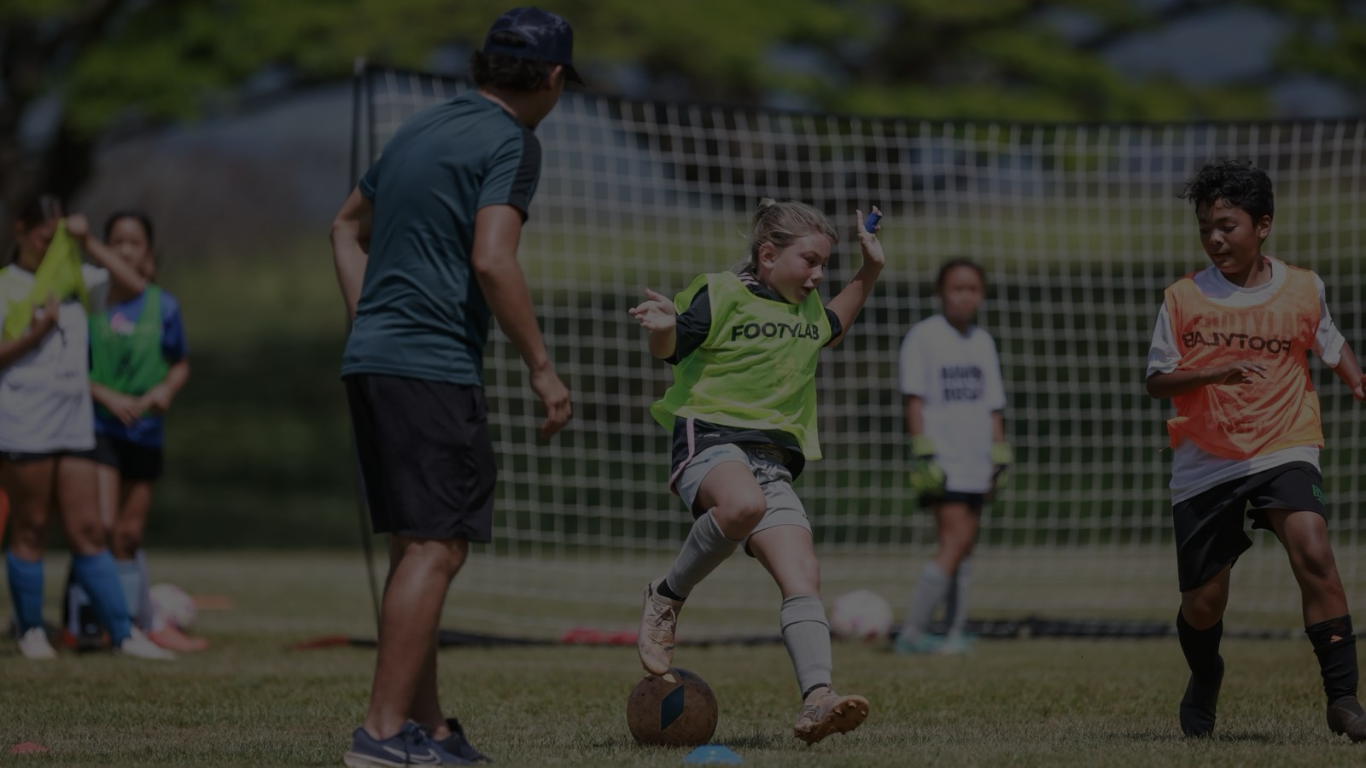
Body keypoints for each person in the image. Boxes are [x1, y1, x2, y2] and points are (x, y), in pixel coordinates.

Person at [330, 7, 578, 766]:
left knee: (418, 547)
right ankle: (380, 735)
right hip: (430, 364)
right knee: (438, 547)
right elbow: (493, 258)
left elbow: (344, 228)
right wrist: (542, 367)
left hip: (373, 360)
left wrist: (370, 319)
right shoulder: (513, 140)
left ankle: (428, 729)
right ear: (554, 77)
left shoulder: (418, 128)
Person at [631, 198, 884, 746]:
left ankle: (818, 697)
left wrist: (870, 269)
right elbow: (670, 346)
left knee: (804, 576)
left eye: (825, 265)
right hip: (711, 442)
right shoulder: (720, 293)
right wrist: (662, 328)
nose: (818, 276)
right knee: (743, 506)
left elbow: (835, 323)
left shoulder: (807, 312)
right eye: (809, 262)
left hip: (772, 464)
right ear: (768, 256)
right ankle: (667, 596)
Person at [1146, 158, 1366, 740]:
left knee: (1313, 549)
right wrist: (1211, 373)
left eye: (1227, 226)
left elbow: (1329, 340)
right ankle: (1206, 673)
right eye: (1205, 228)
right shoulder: (1183, 297)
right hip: (1207, 458)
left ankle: (1344, 699)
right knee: (1203, 604)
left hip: (1283, 442)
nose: (1215, 239)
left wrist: (1355, 378)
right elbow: (1157, 381)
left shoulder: (1303, 287)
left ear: (1262, 225)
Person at [0, 194, 172, 661]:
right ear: (20, 232)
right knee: (31, 526)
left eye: (57, 240)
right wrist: (35, 335)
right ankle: (31, 630)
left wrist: (89, 242)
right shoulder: (6, 286)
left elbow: (136, 286)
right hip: (25, 426)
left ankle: (123, 633)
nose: (51, 249)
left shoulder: (77, 278)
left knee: (90, 529)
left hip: (74, 427)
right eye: (44, 239)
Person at [64, 211, 201, 653]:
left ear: (149, 253)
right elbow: (69, 367)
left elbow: (180, 363)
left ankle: (124, 625)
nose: (124, 250)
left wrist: (165, 390)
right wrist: (107, 396)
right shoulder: (91, 300)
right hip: (100, 429)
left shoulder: (164, 306)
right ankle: (91, 621)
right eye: (116, 241)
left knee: (128, 535)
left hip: (145, 433)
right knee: (101, 525)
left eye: (133, 243)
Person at [892, 257, 1010, 656]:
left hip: (978, 460)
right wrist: (923, 449)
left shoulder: (982, 341)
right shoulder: (924, 336)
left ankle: (953, 631)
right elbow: (914, 399)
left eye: (972, 289)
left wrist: (1000, 451)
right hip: (945, 459)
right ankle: (912, 633)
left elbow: (992, 404)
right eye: (956, 288)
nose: (964, 296)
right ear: (940, 292)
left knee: (965, 547)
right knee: (953, 543)